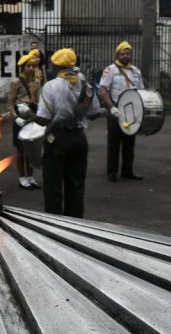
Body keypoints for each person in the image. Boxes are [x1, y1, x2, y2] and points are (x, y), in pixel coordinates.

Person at [21, 48, 100, 217]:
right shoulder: (86, 85)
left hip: (56, 140)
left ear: (56, 66)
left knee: (53, 188)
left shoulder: (50, 86)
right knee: (76, 187)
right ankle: (75, 227)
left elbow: (43, 119)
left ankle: (54, 228)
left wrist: (27, 113)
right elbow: (93, 115)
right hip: (79, 140)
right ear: (72, 65)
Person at [98, 40, 145, 182]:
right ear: (117, 55)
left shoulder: (136, 71)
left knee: (129, 142)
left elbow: (141, 91)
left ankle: (127, 170)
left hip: (131, 110)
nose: (125, 56)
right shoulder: (110, 70)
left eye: (128, 53)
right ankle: (112, 172)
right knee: (114, 142)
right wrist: (111, 107)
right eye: (122, 54)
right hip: (116, 109)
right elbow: (103, 90)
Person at [9, 52, 42, 190]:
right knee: (21, 149)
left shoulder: (37, 82)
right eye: (28, 66)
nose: (31, 68)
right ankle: (22, 177)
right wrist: (16, 117)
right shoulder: (17, 83)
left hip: (32, 114)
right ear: (22, 67)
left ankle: (30, 176)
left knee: (32, 148)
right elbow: (10, 103)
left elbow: (39, 100)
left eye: (34, 66)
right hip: (21, 116)